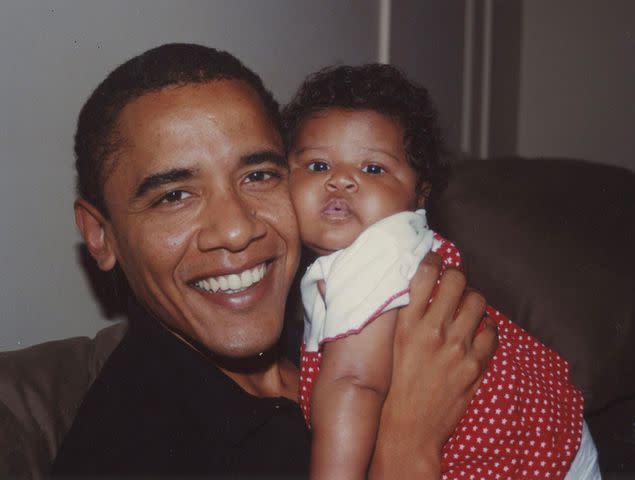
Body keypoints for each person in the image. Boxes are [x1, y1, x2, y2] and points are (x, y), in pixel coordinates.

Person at [50, 44, 497, 477]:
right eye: (175, 196)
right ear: (100, 235)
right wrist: (409, 447)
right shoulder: (125, 454)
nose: (237, 229)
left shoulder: (338, 301)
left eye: (259, 175)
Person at [283, 64, 600, 480]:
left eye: (373, 169)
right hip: (550, 440)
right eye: (318, 166)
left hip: (531, 456)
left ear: (420, 194)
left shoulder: (377, 250)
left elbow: (354, 384)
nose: (341, 181)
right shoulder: (392, 250)